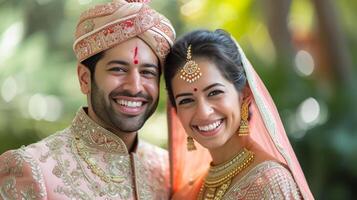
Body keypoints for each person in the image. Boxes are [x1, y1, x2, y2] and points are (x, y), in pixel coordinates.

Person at [0, 0, 175, 199]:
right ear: (84, 79)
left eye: (147, 72)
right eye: (118, 69)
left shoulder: (167, 169)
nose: (135, 87)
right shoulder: (31, 168)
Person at [164, 29, 314, 199]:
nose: (204, 112)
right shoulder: (188, 192)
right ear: (176, 111)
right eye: (186, 101)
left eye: (214, 93)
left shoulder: (269, 183)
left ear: (245, 95)